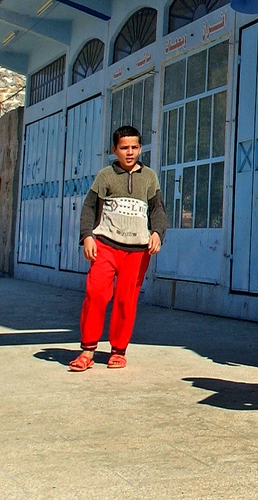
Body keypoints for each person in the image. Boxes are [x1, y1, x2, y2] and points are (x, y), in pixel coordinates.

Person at [70, 125, 167, 371]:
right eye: (124, 148)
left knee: (127, 300)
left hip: (137, 250)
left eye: (134, 147)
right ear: (114, 149)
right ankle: (87, 351)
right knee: (96, 294)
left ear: (141, 148)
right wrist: (87, 237)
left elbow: (157, 210)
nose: (130, 152)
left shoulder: (149, 177)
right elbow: (89, 208)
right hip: (105, 245)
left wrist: (157, 233)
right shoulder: (105, 176)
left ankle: (118, 350)